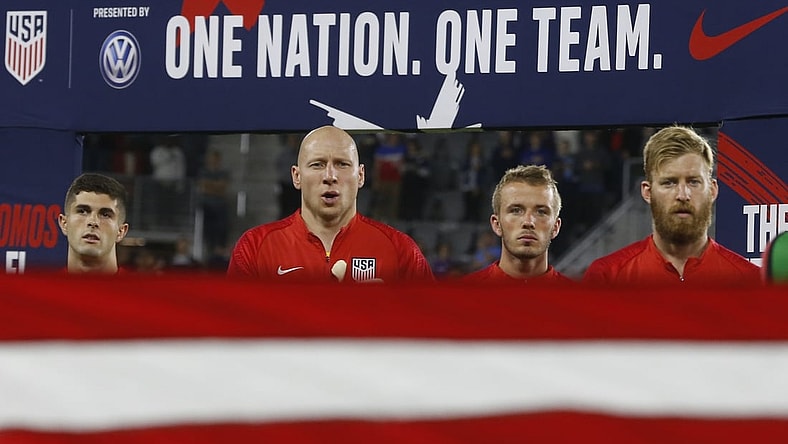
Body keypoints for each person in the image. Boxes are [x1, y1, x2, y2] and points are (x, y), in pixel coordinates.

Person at [228, 125, 434, 283]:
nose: (330, 176)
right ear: (296, 176)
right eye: (317, 164)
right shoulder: (255, 248)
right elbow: (233, 328)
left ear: (360, 175)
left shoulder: (400, 251)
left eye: (342, 164)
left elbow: (434, 327)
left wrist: (385, 309)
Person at [583, 125, 761, 285]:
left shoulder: (749, 280)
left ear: (712, 190)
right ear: (647, 192)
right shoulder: (607, 277)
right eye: (669, 183)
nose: (683, 195)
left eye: (693, 182)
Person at [463, 165, 572, 284]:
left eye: (541, 212)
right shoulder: (460, 296)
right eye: (516, 210)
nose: (528, 222)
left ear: (556, 227)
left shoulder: (579, 300)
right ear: (497, 224)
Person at [58, 173, 129, 274]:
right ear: (64, 223)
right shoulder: (41, 289)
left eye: (105, 215)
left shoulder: (141, 290)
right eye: (82, 211)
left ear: (121, 231)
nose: (93, 222)